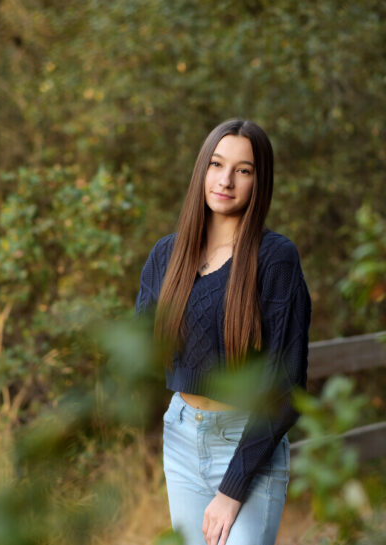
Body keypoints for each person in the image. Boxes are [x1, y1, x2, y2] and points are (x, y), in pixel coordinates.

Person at [134, 118, 312, 545]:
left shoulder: (276, 259)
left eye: (244, 170)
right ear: (202, 170)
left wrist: (232, 491)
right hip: (180, 438)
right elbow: (140, 355)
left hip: (248, 442)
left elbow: (285, 393)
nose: (226, 180)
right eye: (217, 164)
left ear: (259, 181)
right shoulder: (167, 255)